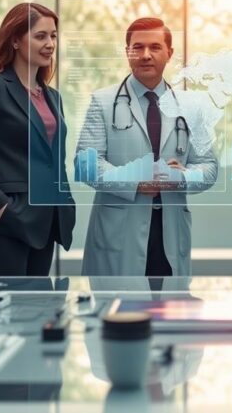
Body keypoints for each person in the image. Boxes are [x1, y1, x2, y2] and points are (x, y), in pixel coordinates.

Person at [75, 17, 218, 277]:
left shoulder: (191, 106)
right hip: (119, 230)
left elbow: (209, 167)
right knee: (117, 312)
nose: (145, 55)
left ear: (169, 53)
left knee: (170, 313)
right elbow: (86, 165)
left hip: (169, 231)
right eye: (137, 47)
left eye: (154, 47)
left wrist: (181, 178)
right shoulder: (102, 101)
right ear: (127, 52)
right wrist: (136, 180)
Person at [0, 3, 76, 277]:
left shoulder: (51, 96)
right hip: (5, 223)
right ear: (16, 40)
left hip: (46, 220)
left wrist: (65, 203)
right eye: (40, 36)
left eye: (53, 36)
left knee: (36, 311)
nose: (50, 44)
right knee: (4, 314)